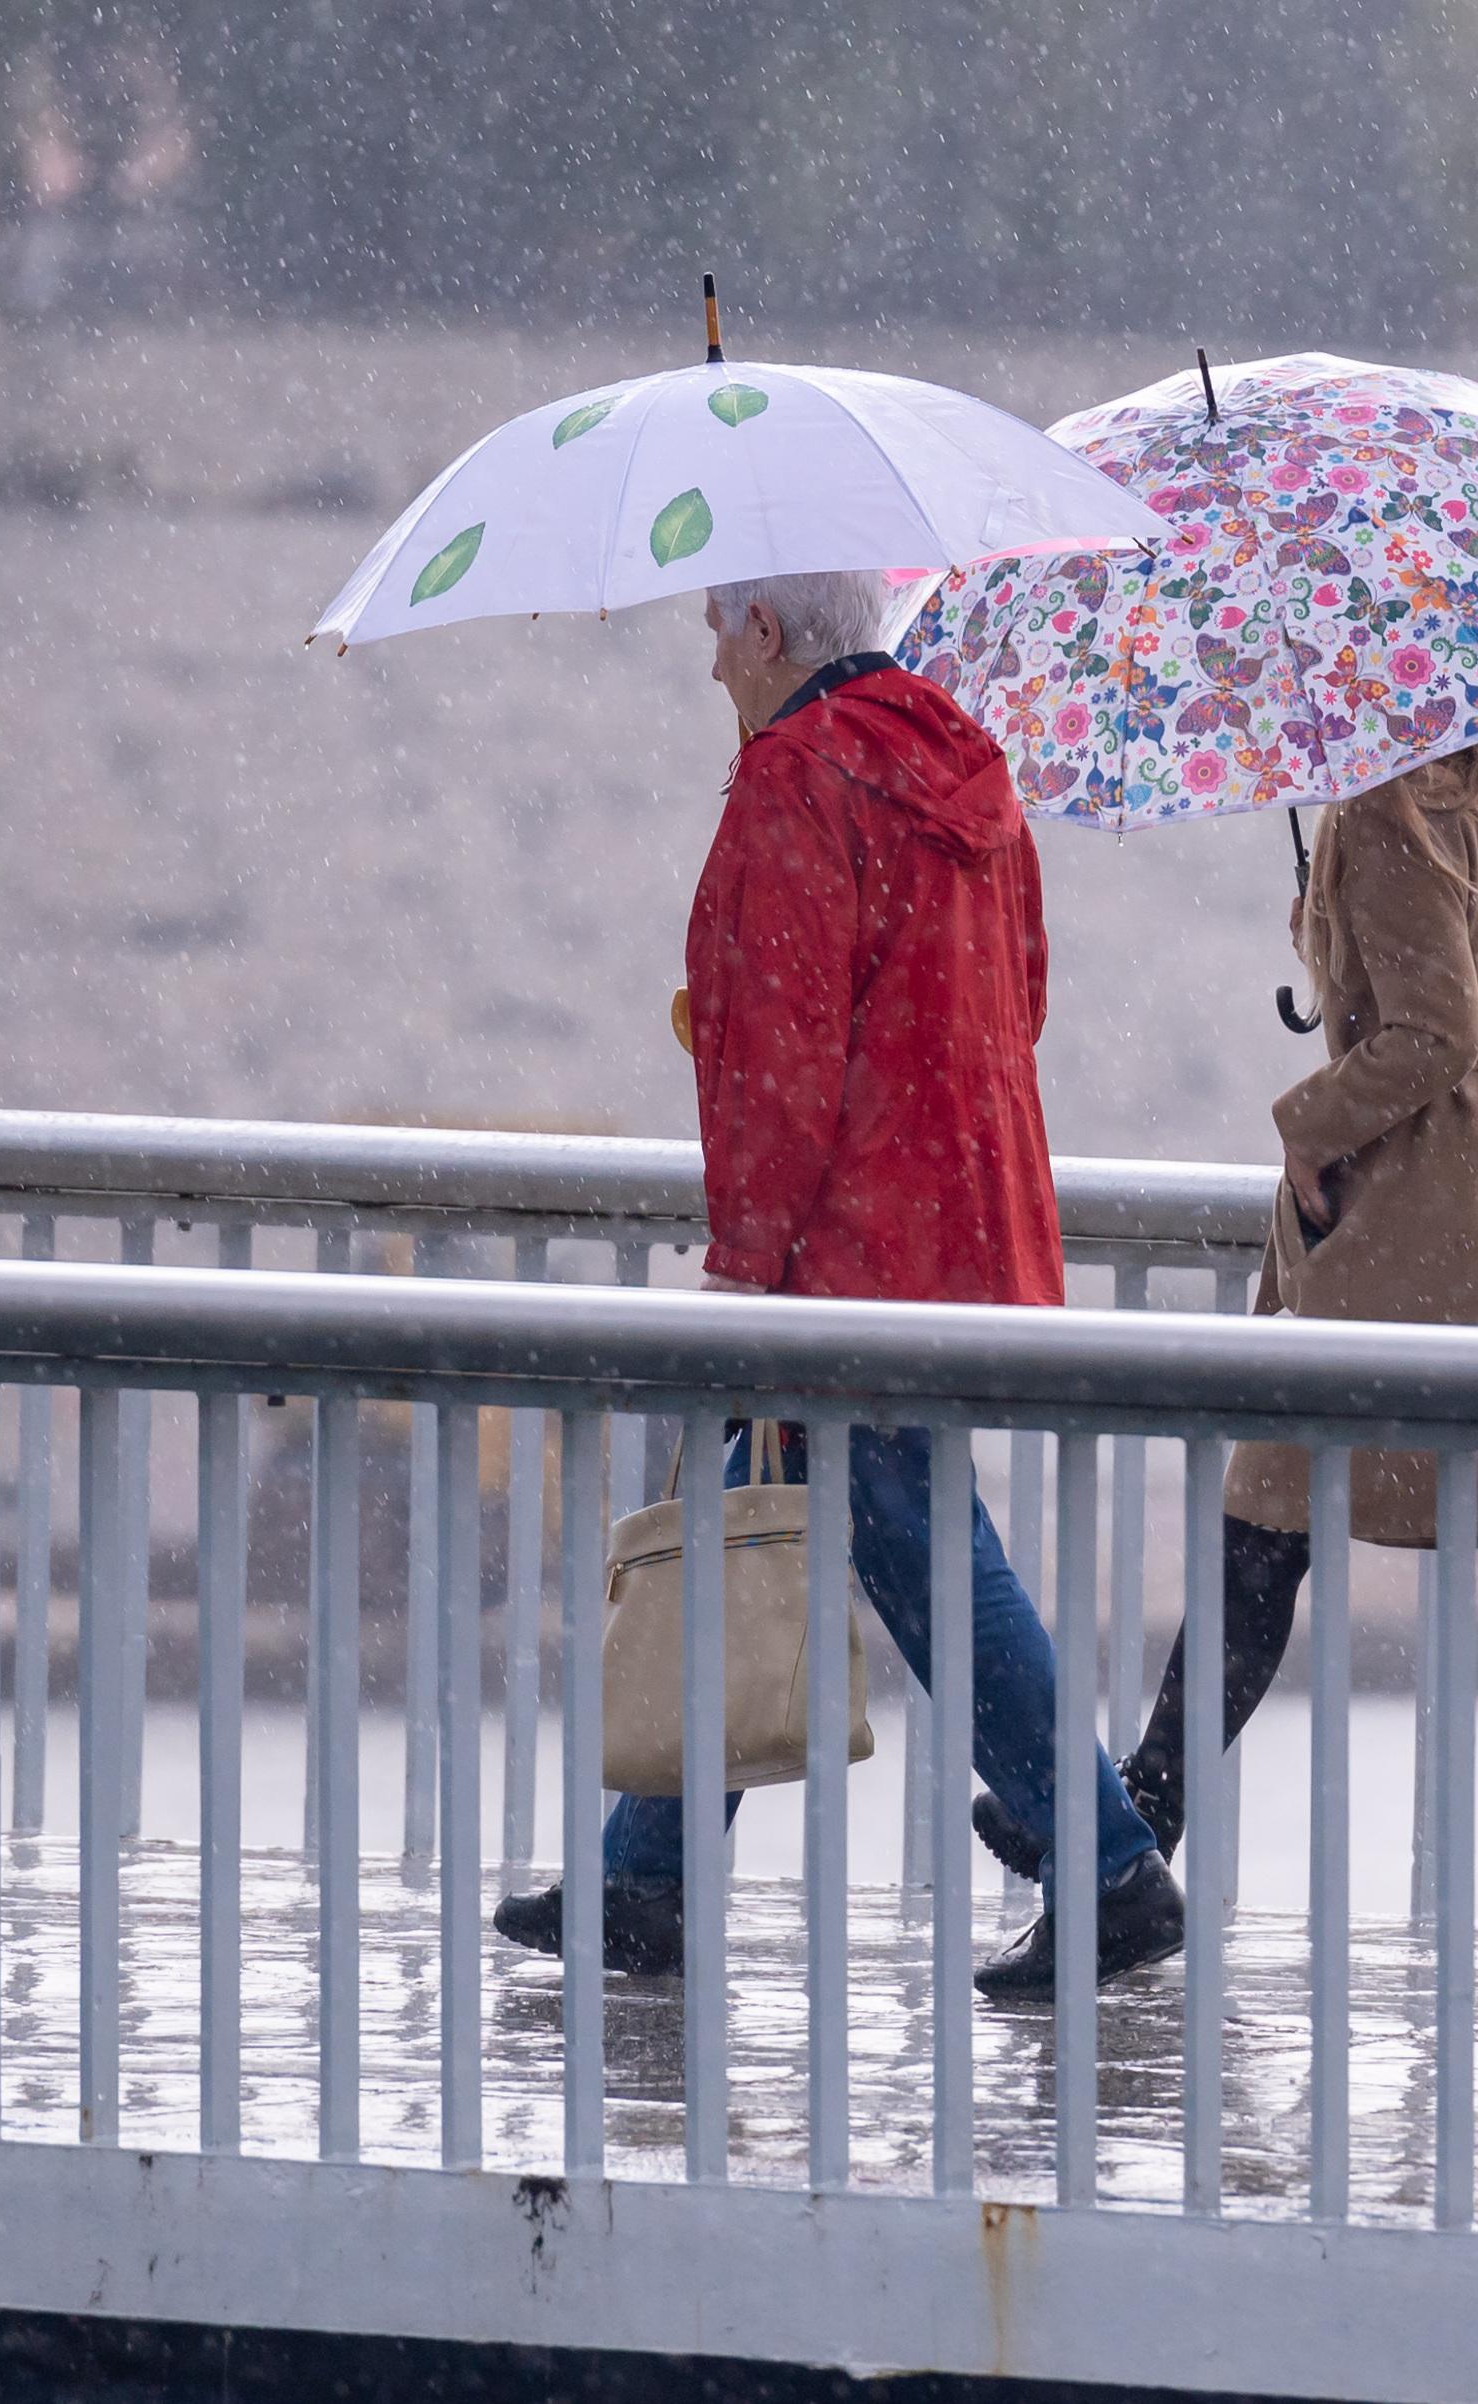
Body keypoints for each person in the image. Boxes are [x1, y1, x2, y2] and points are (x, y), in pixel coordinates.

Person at [493, 567, 1184, 1998]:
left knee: (911, 1546)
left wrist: (747, 1268)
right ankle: (646, 1879)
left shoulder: (791, 784)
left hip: (846, 1263)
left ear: (765, 632)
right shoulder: (968, 768)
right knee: (753, 1510)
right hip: (965, 1234)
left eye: (713, 626)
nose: (705, 662)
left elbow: (782, 1070)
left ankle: (1110, 1867)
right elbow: (1023, 998)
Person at [970, 729, 1478, 1959]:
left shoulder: (1386, 807)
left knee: (1263, 1536)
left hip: (1416, 1231)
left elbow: (1432, 1034)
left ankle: (1127, 1845)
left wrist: (1309, 1118)